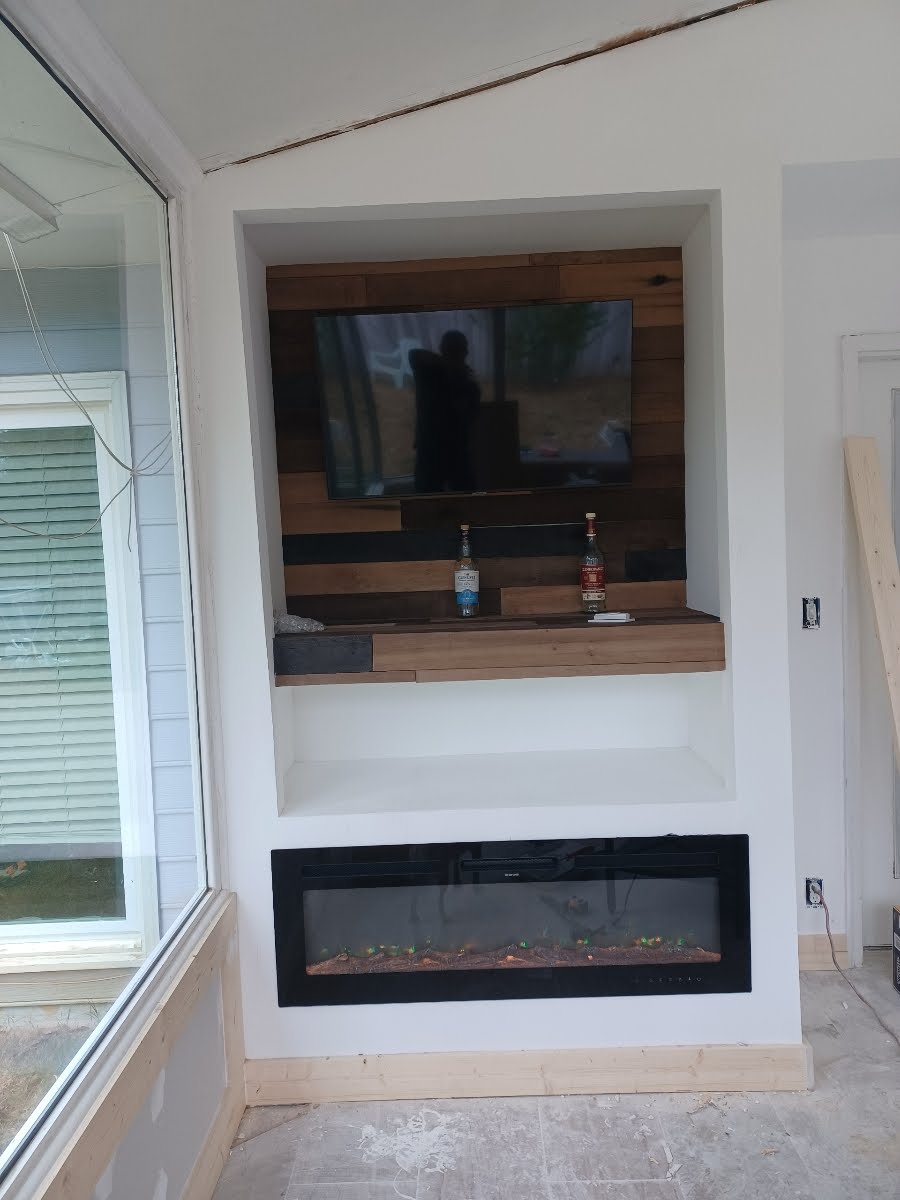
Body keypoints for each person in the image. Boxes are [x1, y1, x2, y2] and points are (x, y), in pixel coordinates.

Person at [409, 329, 481, 492]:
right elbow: (414, 354)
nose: (465, 352)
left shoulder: (431, 373)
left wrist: (454, 372)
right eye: (461, 348)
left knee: (459, 495)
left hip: (447, 449)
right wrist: (452, 368)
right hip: (437, 449)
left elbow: (469, 416)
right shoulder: (430, 372)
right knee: (429, 497)